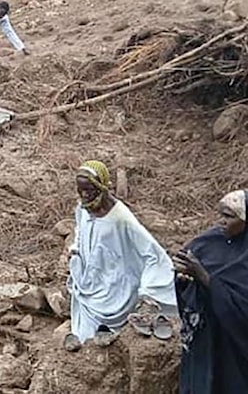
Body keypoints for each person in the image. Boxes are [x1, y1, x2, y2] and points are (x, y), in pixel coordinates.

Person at [65, 160, 177, 349]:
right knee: (84, 336)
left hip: (117, 285)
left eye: (89, 191)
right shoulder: (83, 208)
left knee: (110, 318)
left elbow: (152, 253)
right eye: (80, 191)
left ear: (101, 188)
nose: (84, 196)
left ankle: (112, 329)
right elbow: (81, 231)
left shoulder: (120, 218)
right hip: (91, 280)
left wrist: (148, 290)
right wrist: (76, 250)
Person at [174, 189, 248, 393]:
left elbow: (243, 310)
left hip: (235, 346)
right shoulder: (211, 239)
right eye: (221, 215)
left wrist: (204, 277)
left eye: (229, 216)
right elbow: (186, 268)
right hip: (206, 337)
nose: (221, 221)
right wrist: (183, 277)